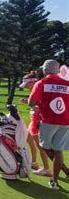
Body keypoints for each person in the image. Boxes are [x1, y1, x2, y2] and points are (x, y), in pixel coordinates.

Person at [29, 59, 69, 190]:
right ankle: (56, 180)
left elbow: (31, 102)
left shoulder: (41, 83)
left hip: (48, 120)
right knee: (58, 150)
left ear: (45, 70)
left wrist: (39, 105)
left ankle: (63, 173)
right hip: (65, 121)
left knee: (44, 146)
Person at [20, 71, 51, 176]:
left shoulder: (39, 89)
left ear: (33, 82)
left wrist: (30, 104)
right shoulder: (34, 90)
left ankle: (46, 169)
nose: (25, 87)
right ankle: (34, 163)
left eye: (26, 85)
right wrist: (27, 102)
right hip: (33, 121)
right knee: (29, 139)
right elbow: (35, 104)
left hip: (38, 122)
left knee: (40, 146)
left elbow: (39, 107)